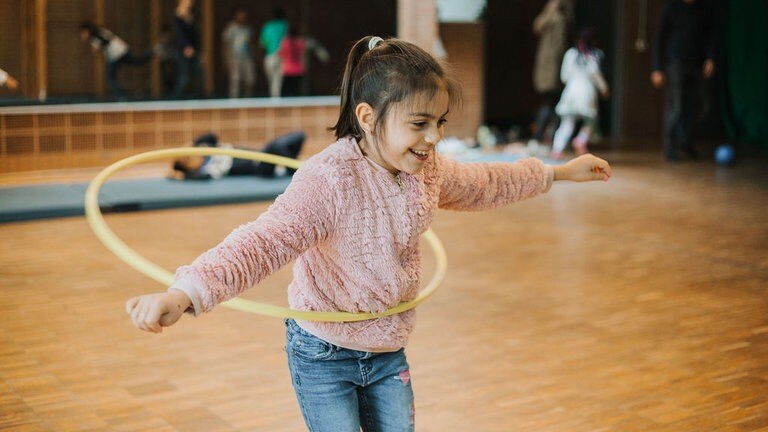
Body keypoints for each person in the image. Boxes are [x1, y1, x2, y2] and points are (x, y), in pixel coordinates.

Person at [126, 35, 611, 430]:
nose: (435, 137)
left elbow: (486, 182)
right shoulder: (328, 181)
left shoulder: (429, 169)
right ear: (367, 117)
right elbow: (262, 243)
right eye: (420, 123)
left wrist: (558, 173)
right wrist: (184, 293)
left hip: (388, 348)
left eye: (440, 123)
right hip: (323, 351)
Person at [651, 0, 716, 161]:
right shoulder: (671, 8)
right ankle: (670, 147)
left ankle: (685, 140)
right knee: (676, 106)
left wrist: (710, 58)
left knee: (702, 105)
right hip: (676, 63)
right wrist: (656, 68)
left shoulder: (704, 9)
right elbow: (659, 39)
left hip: (697, 64)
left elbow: (710, 36)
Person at [551, 28, 610, 160]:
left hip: (571, 91)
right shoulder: (594, 55)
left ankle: (557, 149)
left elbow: (564, 76)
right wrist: (604, 89)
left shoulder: (570, 54)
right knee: (591, 121)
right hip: (587, 91)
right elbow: (597, 76)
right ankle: (581, 140)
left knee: (567, 123)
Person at [528, 0, 573, 153]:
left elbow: (537, 26)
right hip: (554, 67)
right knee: (551, 103)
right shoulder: (560, 20)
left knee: (548, 102)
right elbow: (560, 47)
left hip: (543, 66)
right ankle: (543, 138)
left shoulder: (545, 19)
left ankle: (546, 138)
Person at [168, 131, 305, 180]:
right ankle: (299, 172)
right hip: (260, 167)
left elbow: (211, 135)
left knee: (299, 136)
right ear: (189, 168)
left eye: (188, 152)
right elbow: (202, 177)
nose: (191, 155)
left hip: (261, 153)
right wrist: (182, 176)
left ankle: (291, 168)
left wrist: (193, 143)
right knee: (277, 146)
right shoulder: (207, 169)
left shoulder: (209, 149)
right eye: (187, 158)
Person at [79, 21, 155, 100]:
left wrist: (86, 40)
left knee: (110, 79)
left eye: (83, 32)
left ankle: (122, 97)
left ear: (87, 30)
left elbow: (95, 49)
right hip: (122, 49)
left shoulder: (94, 37)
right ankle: (152, 52)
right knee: (137, 61)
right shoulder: (101, 30)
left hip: (114, 55)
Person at [278, 23, 330, 97]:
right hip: (299, 71)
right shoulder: (301, 42)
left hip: (287, 72)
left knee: (285, 94)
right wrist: (324, 56)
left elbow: (280, 54)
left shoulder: (284, 43)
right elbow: (314, 45)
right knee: (298, 94)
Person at [171, 0, 205, 99]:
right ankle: (175, 100)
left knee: (199, 73)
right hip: (182, 50)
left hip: (194, 50)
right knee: (183, 77)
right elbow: (179, 34)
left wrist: (199, 50)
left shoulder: (191, 16)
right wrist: (186, 47)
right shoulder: (177, 16)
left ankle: (201, 99)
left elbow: (196, 35)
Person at [222, 9, 256, 98]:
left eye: (244, 16)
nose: (242, 18)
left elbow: (251, 43)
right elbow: (225, 44)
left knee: (250, 79)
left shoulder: (247, 28)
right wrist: (226, 59)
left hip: (247, 56)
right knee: (235, 80)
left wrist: (254, 56)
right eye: (240, 16)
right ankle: (234, 100)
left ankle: (248, 99)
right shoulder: (230, 28)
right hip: (234, 56)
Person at [259, 7, 288, 98]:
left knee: (272, 81)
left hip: (269, 56)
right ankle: (275, 101)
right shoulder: (285, 25)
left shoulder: (267, 26)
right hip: (281, 56)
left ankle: (274, 100)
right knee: (277, 81)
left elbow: (262, 43)